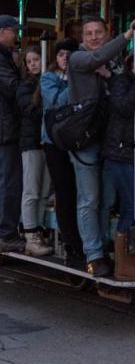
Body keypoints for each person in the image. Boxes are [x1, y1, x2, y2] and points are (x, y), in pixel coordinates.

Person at [69, 16, 135, 277]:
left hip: (107, 141)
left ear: (106, 34)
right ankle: (94, 255)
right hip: (85, 141)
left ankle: (107, 247)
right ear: (82, 38)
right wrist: (129, 35)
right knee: (89, 199)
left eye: (98, 33)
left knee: (106, 200)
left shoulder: (113, 62)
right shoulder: (77, 59)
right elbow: (96, 59)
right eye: (88, 33)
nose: (93, 37)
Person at [102, 52, 135, 280]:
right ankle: (124, 265)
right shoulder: (121, 82)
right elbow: (123, 107)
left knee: (132, 207)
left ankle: (125, 261)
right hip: (121, 153)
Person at [40, 38, 83, 268]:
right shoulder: (48, 78)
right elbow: (55, 102)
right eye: (61, 54)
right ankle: (70, 245)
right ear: (55, 58)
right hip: (54, 142)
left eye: (69, 54)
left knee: (79, 192)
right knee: (64, 193)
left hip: (77, 141)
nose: (65, 58)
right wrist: (74, 82)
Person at [16, 46, 52, 257]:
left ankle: (37, 228)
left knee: (44, 190)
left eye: (36, 59)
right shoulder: (25, 87)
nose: (33, 64)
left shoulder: (48, 81)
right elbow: (30, 111)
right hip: (31, 143)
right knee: (31, 189)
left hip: (47, 142)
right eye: (29, 61)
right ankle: (30, 233)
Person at [0, 15, 25, 253]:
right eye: (13, 32)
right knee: (10, 181)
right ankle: (6, 232)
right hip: (6, 130)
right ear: (2, 32)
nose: (16, 36)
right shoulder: (2, 59)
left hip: (5, 128)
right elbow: (12, 89)